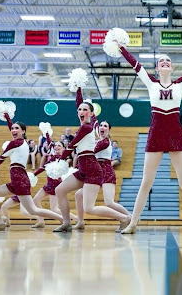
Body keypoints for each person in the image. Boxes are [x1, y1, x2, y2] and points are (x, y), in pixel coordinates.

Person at [116, 43, 182, 235]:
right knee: (146, 181)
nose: (164, 62)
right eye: (161, 60)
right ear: (156, 68)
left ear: (171, 67)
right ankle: (133, 224)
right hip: (155, 133)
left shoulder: (180, 84)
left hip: (175, 133)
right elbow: (134, 64)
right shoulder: (150, 83)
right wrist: (121, 49)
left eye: (168, 60)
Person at [53, 87, 131, 232]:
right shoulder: (86, 126)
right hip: (83, 168)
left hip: (93, 170)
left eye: (85, 110)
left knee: (90, 207)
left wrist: (61, 159)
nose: (81, 112)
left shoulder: (87, 128)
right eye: (79, 110)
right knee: (59, 190)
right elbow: (79, 105)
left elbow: (72, 145)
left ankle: (125, 218)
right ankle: (66, 223)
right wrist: (78, 87)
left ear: (90, 113)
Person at [0, 112, 63, 230]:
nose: (13, 130)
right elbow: (13, 131)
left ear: (23, 131)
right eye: (12, 129)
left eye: (17, 128)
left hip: (20, 180)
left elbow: (1, 158)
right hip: (18, 179)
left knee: (32, 210)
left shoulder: (15, 143)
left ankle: (63, 219)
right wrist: (7, 118)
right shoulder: (21, 143)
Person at [74, 120, 132, 230]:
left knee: (109, 202)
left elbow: (90, 153)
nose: (102, 127)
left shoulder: (105, 142)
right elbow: (94, 120)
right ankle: (80, 222)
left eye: (105, 126)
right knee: (78, 195)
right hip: (96, 173)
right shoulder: (97, 141)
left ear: (109, 130)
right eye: (101, 125)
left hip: (106, 173)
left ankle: (131, 218)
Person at [31, 135, 78, 228]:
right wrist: (47, 134)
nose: (56, 147)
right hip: (49, 184)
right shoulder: (53, 156)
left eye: (59, 146)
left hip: (55, 185)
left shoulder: (61, 158)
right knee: (35, 200)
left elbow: (43, 167)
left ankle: (74, 218)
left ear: (64, 148)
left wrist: (34, 174)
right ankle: (41, 221)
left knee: (54, 209)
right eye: (55, 146)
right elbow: (50, 145)